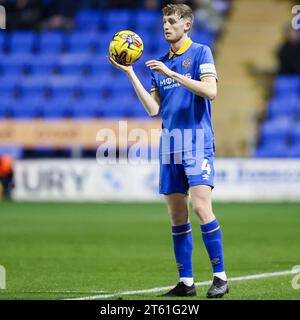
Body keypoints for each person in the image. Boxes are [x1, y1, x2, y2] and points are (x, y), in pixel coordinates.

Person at [107, 3, 228, 298]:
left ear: (187, 25)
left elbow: (210, 91)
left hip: (197, 142)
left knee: (200, 207)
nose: (166, 26)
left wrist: (171, 74)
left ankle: (220, 277)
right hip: (170, 147)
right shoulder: (158, 64)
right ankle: (186, 282)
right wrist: (130, 72)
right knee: (177, 216)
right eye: (164, 21)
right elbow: (153, 109)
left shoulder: (201, 52)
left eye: (172, 21)